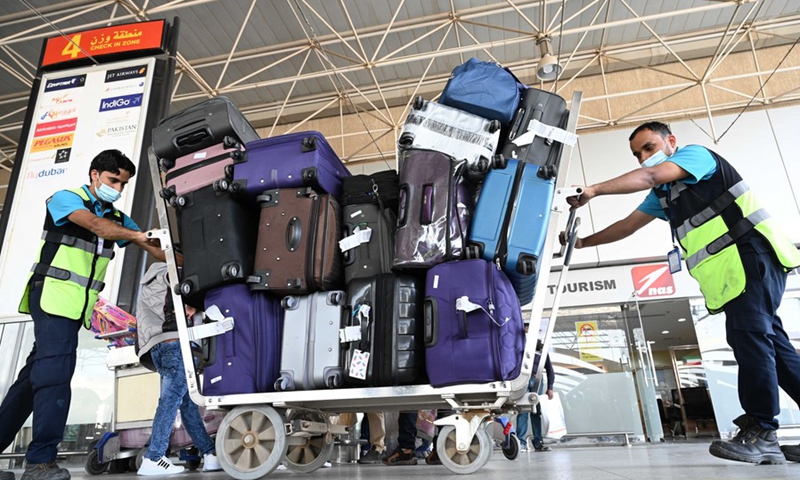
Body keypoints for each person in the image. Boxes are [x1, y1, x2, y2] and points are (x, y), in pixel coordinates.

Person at [565, 121, 800, 464]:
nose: (644, 157)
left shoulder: (697, 157)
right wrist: (584, 242)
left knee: (748, 336)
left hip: (752, 256)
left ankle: (763, 432)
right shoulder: (664, 195)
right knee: (774, 347)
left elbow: (649, 176)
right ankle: (763, 429)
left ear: (670, 142)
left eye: (648, 148)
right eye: (637, 153)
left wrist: (594, 190)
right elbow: (628, 225)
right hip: (734, 271)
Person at [0, 150, 166, 480]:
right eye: (112, 180)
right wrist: (135, 234)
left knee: (30, 381)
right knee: (55, 376)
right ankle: (39, 463)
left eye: (123, 183)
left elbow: (153, 244)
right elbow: (95, 226)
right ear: (94, 174)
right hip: (52, 297)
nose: (118, 188)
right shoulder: (65, 198)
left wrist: (180, 258)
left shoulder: (117, 216)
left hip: (75, 306)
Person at [134, 262, 221, 475]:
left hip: (157, 346)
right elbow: (191, 290)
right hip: (174, 344)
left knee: (187, 403)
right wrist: (195, 305)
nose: (190, 314)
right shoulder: (171, 274)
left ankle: (210, 454)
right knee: (170, 400)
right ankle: (153, 458)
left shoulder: (147, 282)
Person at [517, 338, 555, 452]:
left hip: (537, 380)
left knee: (536, 412)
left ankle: (538, 443)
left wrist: (550, 388)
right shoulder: (521, 350)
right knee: (522, 411)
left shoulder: (542, 353)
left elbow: (549, 370)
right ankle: (521, 443)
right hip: (523, 381)